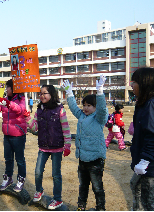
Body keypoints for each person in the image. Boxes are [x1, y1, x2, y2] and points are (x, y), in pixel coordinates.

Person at [62, 74, 108, 211]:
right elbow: (74, 108)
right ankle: (81, 206)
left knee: (97, 186)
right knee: (83, 185)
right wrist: (69, 93)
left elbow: (101, 109)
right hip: (82, 158)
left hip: (95, 160)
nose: (85, 108)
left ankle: (100, 208)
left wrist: (100, 91)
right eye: (84, 105)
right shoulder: (82, 115)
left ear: (95, 107)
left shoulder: (99, 118)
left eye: (89, 106)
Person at [26, 85, 72, 209]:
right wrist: (28, 118)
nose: (41, 96)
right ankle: (39, 190)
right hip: (43, 147)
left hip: (57, 147)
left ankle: (57, 199)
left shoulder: (59, 109)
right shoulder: (39, 110)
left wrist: (67, 145)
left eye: (44, 93)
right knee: (37, 172)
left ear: (51, 94)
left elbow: (66, 128)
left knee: (56, 175)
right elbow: (35, 128)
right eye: (40, 94)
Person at [129, 67, 154, 211]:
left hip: (152, 164)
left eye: (134, 82)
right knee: (134, 185)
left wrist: (145, 160)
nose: (131, 85)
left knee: (149, 203)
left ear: (145, 83)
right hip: (144, 160)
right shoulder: (144, 102)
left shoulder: (152, 104)